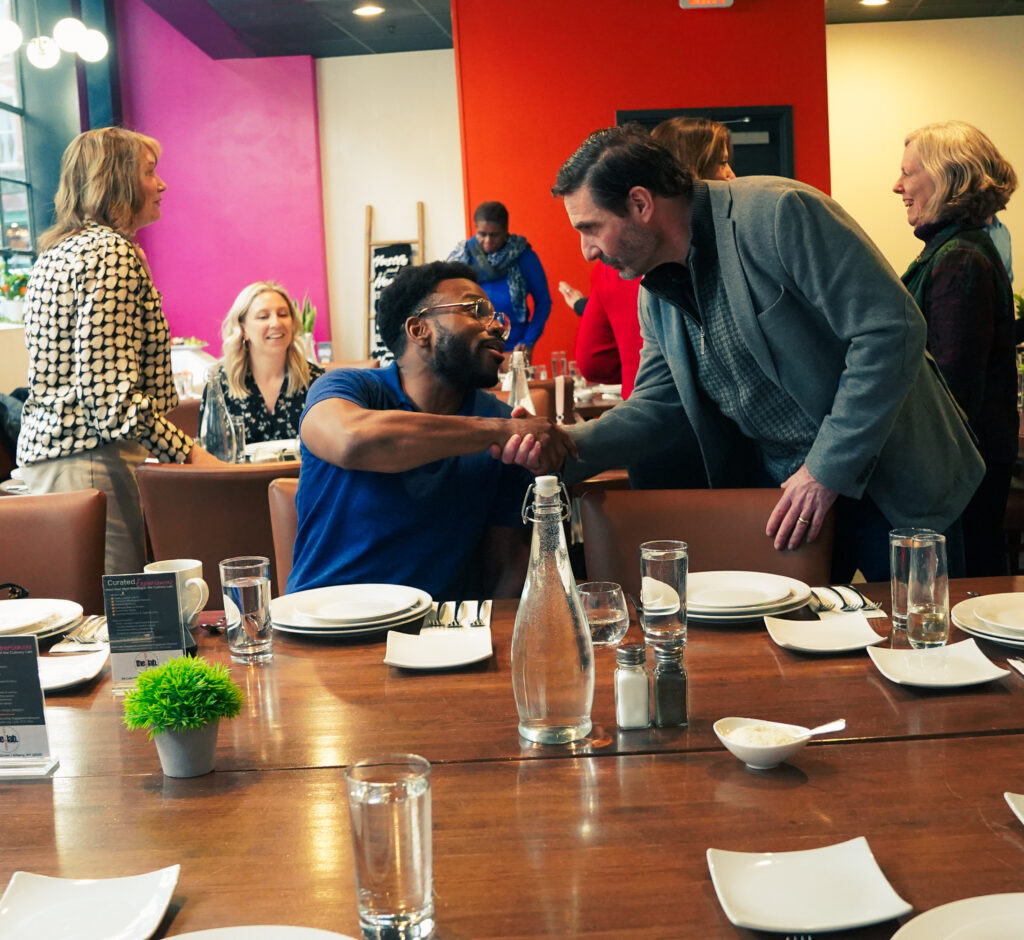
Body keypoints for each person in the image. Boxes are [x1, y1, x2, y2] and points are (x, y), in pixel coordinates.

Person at [539, 124, 983, 581]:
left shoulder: (779, 213)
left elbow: (890, 331)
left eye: (590, 228)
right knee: (804, 643)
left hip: (893, 476)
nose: (587, 250)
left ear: (640, 203)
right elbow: (657, 406)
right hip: (794, 495)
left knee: (918, 640)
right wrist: (564, 446)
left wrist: (824, 470)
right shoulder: (653, 293)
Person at [287, 260, 575, 599]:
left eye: (496, 316)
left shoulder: (501, 424)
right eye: (476, 310)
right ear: (419, 329)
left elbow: (507, 566)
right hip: (321, 623)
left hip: (439, 635)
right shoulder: (348, 387)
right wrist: (499, 431)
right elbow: (352, 440)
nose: (496, 326)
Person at [17, 127, 219, 575]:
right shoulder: (111, 253)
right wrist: (188, 452)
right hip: (89, 459)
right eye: (150, 172)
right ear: (117, 180)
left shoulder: (59, 251)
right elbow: (110, 398)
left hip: (56, 459)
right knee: (113, 622)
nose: (162, 184)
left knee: (78, 625)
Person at [893, 121, 1017, 576]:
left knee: (958, 592)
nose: (897, 186)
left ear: (948, 178)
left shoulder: (958, 257)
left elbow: (950, 393)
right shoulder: (957, 249)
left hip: (956, 474)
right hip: (965, 467)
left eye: (908, 173)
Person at [560, 118, 738, 399]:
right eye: (721, 162)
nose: (731, 175)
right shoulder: (646, 267)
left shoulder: (772, 216)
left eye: (591, 228)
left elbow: (593, 361)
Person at [200, 282, 324, 447]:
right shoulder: (220, 385)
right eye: (263, 317)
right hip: (240, 473)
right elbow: (210, 453)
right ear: (243, 329)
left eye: (283, 314)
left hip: (301, 473)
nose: (276, 323)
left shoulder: (316, 381)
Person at [449, 201, 552, 353]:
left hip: (514, 347)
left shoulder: (523, 257)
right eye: (482, 234)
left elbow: (543, 302)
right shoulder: (463, 256)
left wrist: (528, 340)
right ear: (476, 229)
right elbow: (449, 302)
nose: (488, 241)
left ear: (505, 231)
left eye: (494, 235)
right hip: (474, 348)